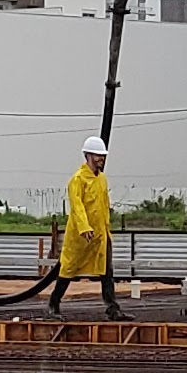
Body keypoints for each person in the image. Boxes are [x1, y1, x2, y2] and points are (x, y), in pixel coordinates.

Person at [43, 136, 124, 320]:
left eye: (102, 156)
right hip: (81, 236)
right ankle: (53, 304)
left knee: (106, 271)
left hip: (100, 235)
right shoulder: (77, 180)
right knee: (68, 269)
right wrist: (84, 227)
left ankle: (112, 308)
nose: (101, 159)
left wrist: (106, 230)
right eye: (98, 155)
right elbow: (77, 206)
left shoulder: (102, 179)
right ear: (88, 155)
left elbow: (104, 205)